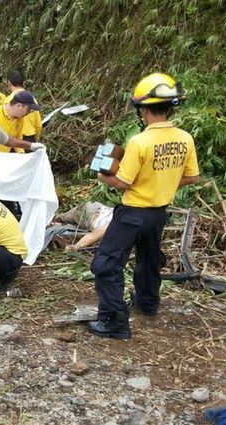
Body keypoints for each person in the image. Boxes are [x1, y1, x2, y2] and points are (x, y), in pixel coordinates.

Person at [87, 73, 199, 339]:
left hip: (133, 214)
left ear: (144, 109)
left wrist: (103, 176)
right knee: (148, 260)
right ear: (171, 107)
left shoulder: (140, 142)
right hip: (159, 214)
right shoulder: (185, 138)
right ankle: (148, 302)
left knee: (105, 264)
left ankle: (115, 321)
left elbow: (124, 182)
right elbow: (193, 176)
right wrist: (166, 184)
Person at [4, 70, 43, 142]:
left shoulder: (9, 100)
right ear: (23, 82)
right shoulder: (31, 99)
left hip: (15, 139)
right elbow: (38, 124)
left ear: (9, 83)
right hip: (30, 138)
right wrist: (37, 137)